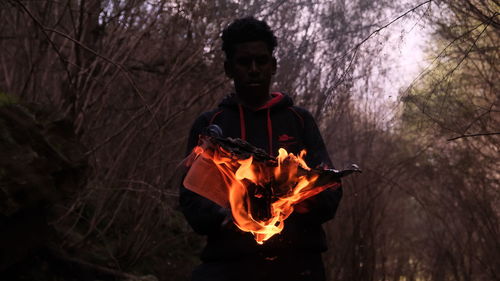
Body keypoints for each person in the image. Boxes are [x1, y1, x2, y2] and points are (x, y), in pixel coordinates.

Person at [179, 16, 342, 281]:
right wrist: (231, 213)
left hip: (298, 263)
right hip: (229, 263)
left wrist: (294, 199)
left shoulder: (299, 121)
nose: (254, 69)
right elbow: (190, 200)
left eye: (261, 61)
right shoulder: (210, 125)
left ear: (273, 65)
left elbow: (331, 194)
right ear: (228, 68)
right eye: (244, 62)